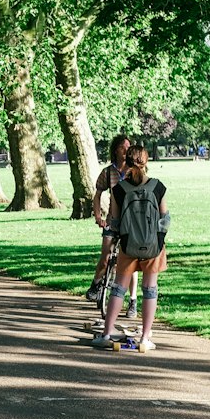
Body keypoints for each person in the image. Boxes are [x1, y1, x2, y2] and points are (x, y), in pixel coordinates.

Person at [93, 145, 169, 352]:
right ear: (147, 162)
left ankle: (107, 333)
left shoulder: (119, 190)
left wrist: (118, 237)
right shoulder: (157, 187)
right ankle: (145, 337)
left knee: (118, 288)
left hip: (128, 245)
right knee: (150, 289)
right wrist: (159, 240)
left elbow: (115, 221)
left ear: (126, 161)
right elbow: (165, 218)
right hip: (153, 246)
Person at [86, 135, 138, 318]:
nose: (126, 150)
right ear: (115, 150)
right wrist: (98, 216)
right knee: (105, 257)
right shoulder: (108, 172)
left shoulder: (135, 171)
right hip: (113, 221)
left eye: (128, 147)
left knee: (131, 263)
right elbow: (98, 194)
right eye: (123, 147)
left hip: (131, 223)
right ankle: (96, 283)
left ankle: (133, 300)